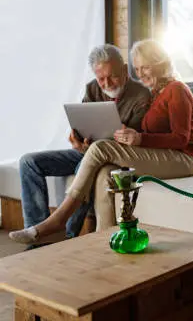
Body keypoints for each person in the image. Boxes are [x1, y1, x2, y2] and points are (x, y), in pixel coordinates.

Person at [10, 39, 193, 244]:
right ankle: (103, 240)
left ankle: (59, 221)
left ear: (160, 63)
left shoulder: (175, 89)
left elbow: (181, 139)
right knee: (105, 173)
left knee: (100, 148)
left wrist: (139, 138)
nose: (141, 73)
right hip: (148, 153)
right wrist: (78, 139)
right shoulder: (156, 93)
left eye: (145, 67)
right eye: (138, 68)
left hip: (185, 158)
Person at [17, 44, 151, 246]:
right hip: (87, 151)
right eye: (101, 78)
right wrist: (78, 140)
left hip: (113, 158)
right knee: (28, 162)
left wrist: (92, 148)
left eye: (112, 76)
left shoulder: (141, 95)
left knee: (85, 168)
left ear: (124, 70)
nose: (107, 83)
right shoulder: (92, 88)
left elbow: (131, 146)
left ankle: (67, 234)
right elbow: (84, 123)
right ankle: (39, 237)